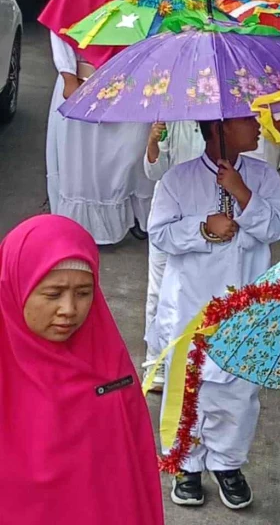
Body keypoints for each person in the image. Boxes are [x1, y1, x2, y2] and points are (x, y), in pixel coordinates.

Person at [148, 116, 280, 509]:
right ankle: (187, 464)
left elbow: (276, 228)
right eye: (248, 120)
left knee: (238, 391)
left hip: (244, 303)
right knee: (190, 385)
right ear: (221, 127)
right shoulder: (178, 179)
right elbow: (160, 233)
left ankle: (227, 463)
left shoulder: (262, 176)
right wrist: (203, 228)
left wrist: (243, 194)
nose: (259, 127)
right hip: (192, 303)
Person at [0, 214, 164, 525]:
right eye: (52, 294)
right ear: (13, 286)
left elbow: (131, 480)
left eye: (84, 292)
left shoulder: (110, 369)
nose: (69, 310)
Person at [40, 0, 162, 245]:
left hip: (133, 89)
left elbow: (161, 31)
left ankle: (137, 219)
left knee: (130, 156)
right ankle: (85, 229)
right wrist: (68, 77)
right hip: (84, 84)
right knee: (85, 160)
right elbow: (60, 32)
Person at [141, 120, 205, 389]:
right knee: (158, 290)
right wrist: (154, 141)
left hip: (204, 214)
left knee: (197, 288)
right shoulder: (170, 117)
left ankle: (192, 360)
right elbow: (154, 172)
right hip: (168, 215)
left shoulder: (220, 123)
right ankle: (155, 362)